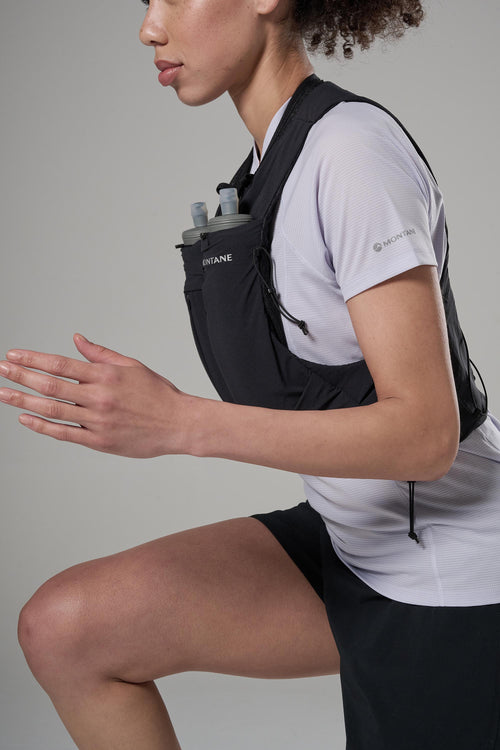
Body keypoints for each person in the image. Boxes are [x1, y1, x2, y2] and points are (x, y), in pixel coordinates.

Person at [1, 1, 499, 748]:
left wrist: (178, 423)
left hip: (451, 569)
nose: (149, 27)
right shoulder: (271, 165)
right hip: (351, 542)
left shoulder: (352, 154)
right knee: (66, 630)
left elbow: (425, 436)